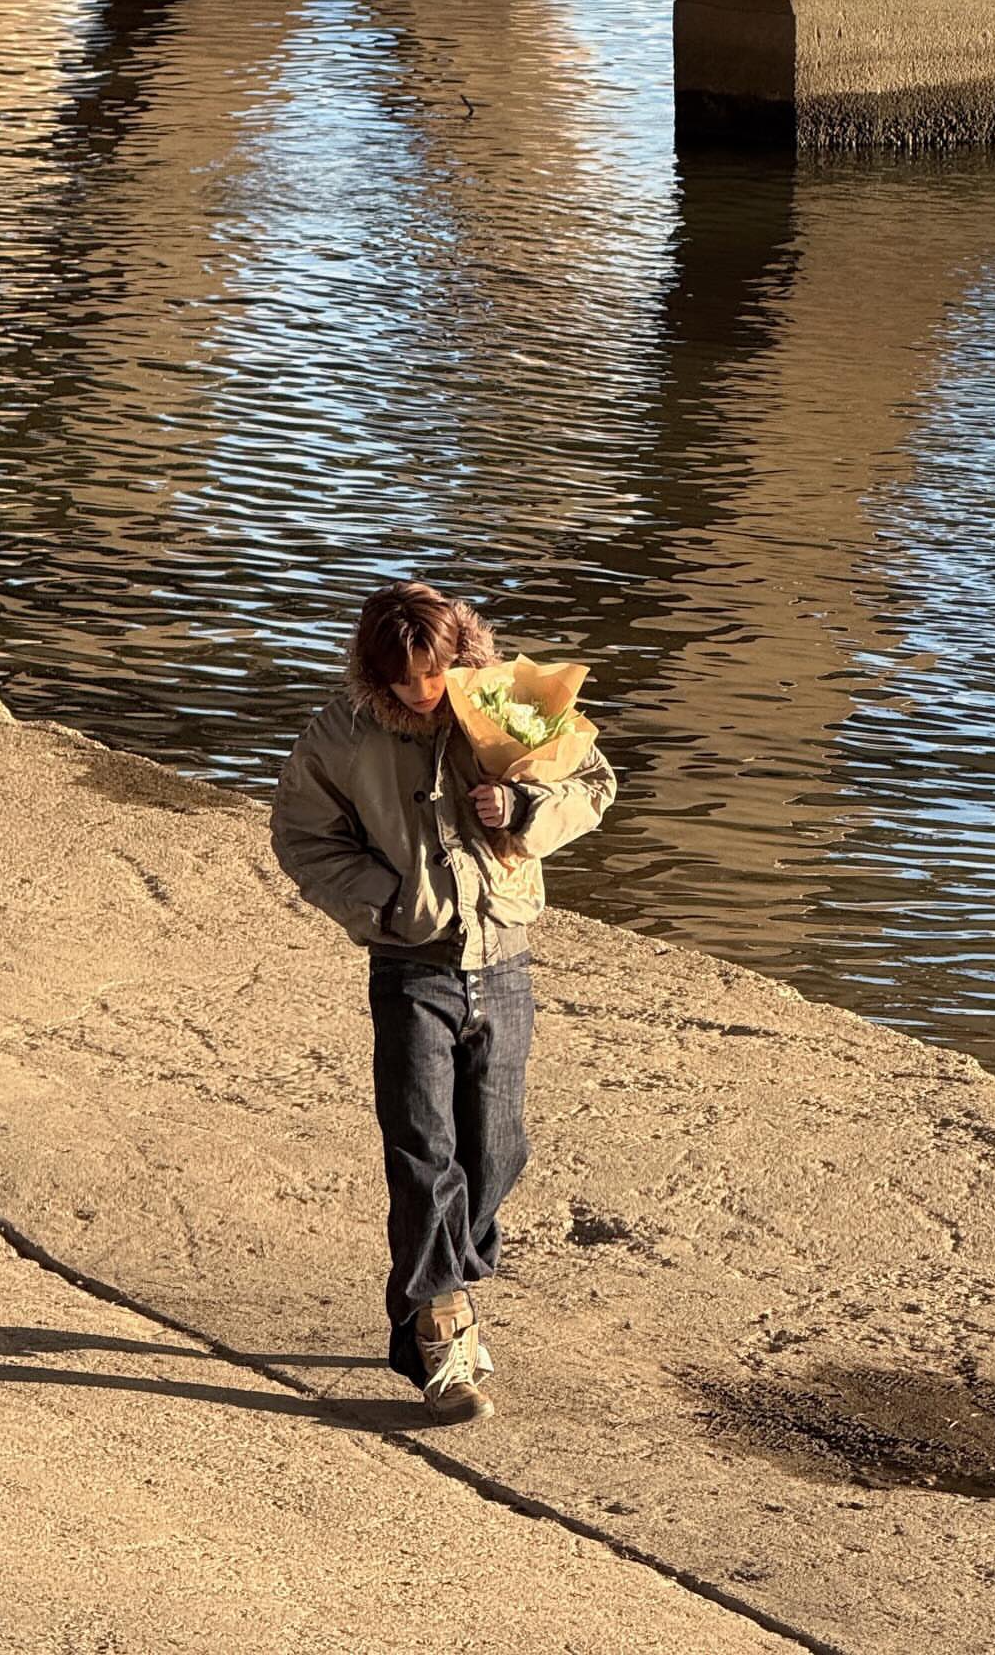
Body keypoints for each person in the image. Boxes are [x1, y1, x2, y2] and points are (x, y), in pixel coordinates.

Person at [268, 580, 617, 1424]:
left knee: (497, 1151)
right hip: (410, 965)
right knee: (423, 1149)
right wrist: (389, 904)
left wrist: (525, 806)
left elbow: (597, 784)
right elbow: (302, 836)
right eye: (402, 679)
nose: (420, 692)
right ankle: (440, 1326)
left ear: (459, 654)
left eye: (432, 673)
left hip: (504, 961)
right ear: (375, 670)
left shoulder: (505, 709)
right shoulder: (341, 735)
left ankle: (432, 1292)